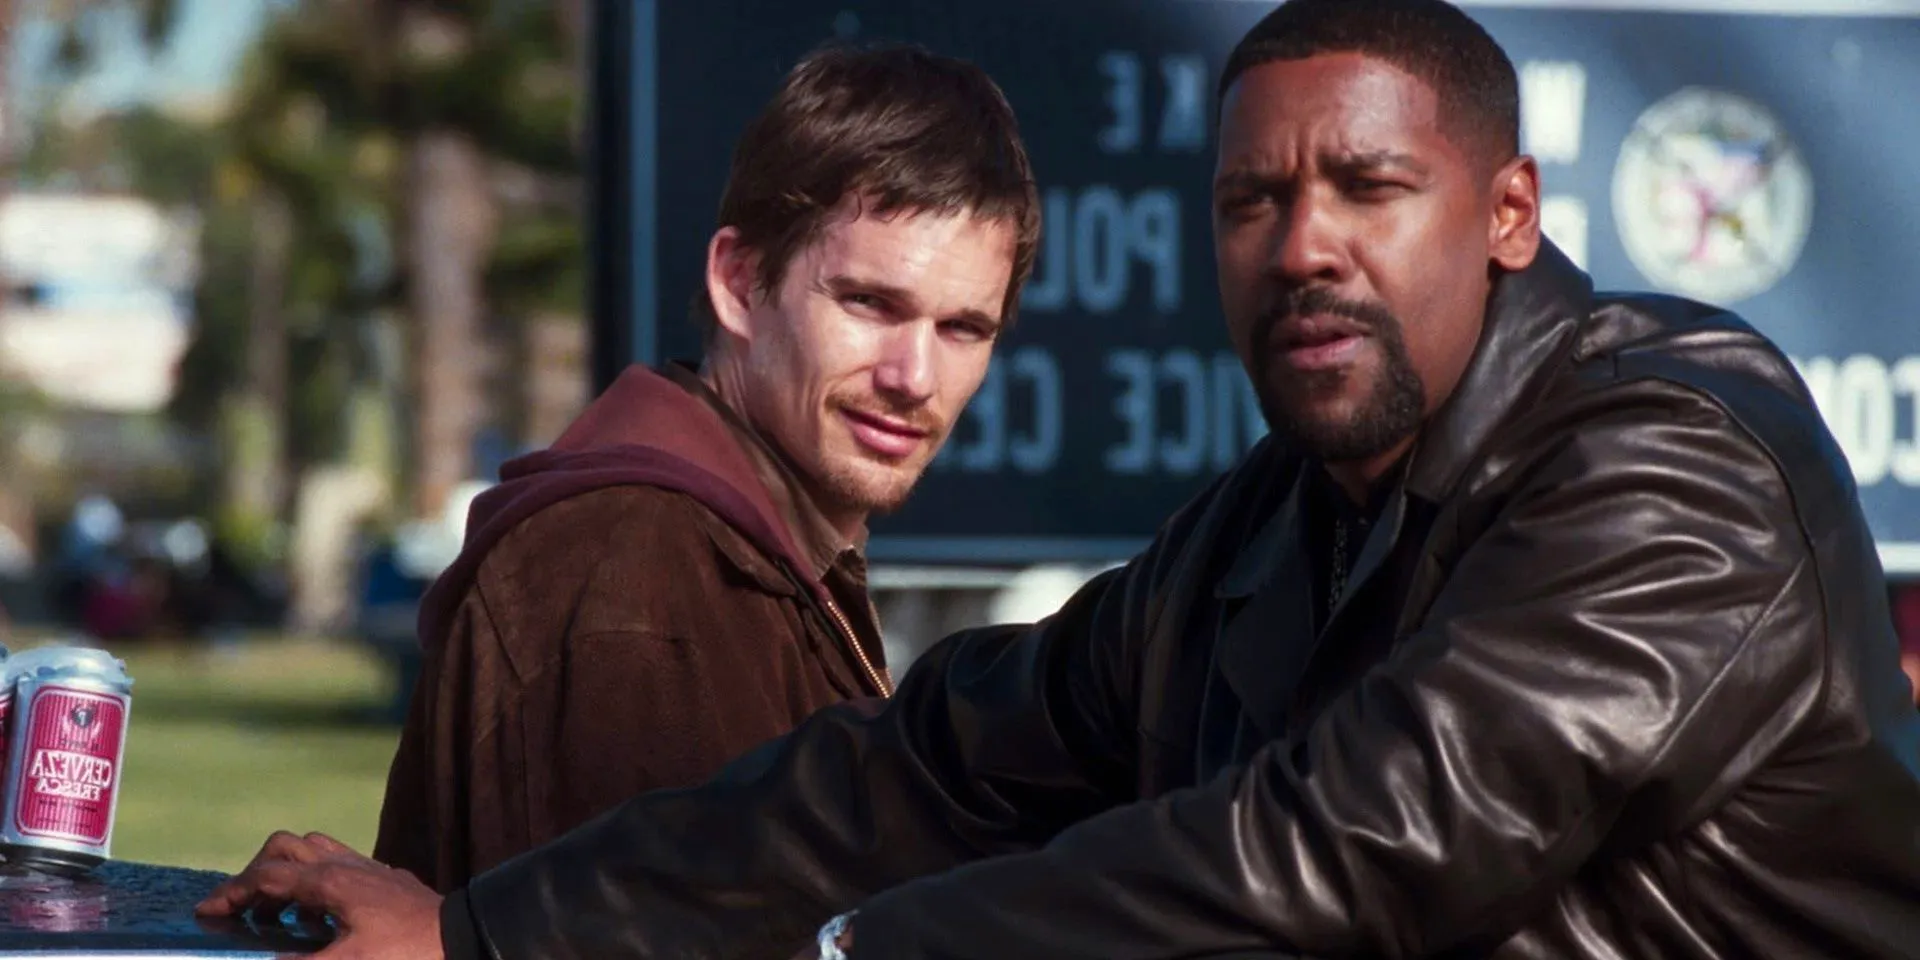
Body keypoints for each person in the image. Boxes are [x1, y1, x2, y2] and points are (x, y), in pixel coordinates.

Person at [201, 2, 1920, 957]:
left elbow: (1358, 843)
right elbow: (924, 770)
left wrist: (849, 955)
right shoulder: (1267, 530)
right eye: (1255, 201)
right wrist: (489, 939)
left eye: (1368, 187)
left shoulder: (1672, 462)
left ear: (1509, 217)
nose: (1305, 244)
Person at [366, 43, 1039, 891]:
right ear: (739, 280)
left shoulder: (751, 558)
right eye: (869, 303)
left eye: (962, 329)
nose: (913, 377)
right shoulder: (636, 571)